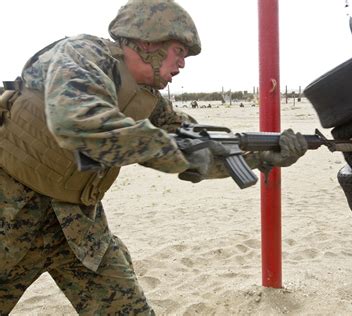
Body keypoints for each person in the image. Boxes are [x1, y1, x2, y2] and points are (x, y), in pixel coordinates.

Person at [0, 0, 307, 313]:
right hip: (9, 212)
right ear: (149, 42)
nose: (182, 64)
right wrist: (182, 153)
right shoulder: (80, 56)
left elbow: (197, 143)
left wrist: (264, 156)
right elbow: (80, 123)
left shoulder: (147, 100)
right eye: (179, 52)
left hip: (76, 229)